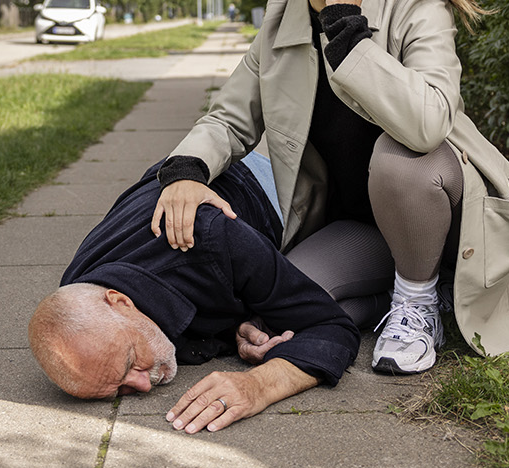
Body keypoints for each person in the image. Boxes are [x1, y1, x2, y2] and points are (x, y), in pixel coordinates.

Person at [152, 0, 509, 374]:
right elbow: (229, 119)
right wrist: (185, 172)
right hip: (361, 228)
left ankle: (419, 300)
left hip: (444, 218)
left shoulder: (417, 8)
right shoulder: (279, 22)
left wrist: (349, 34)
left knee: (401, 159)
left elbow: (427, 126)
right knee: (272, 317)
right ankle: (412, 300)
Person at [28, 158, 359, 434]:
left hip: (307, 180)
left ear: (120, 301)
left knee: (321, 305)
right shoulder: (80, 291)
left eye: (131, 363)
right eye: (120, 389)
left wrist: (258, 385)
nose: (143, 386)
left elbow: (332, 327)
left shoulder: (210, 237)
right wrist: (232, 331)